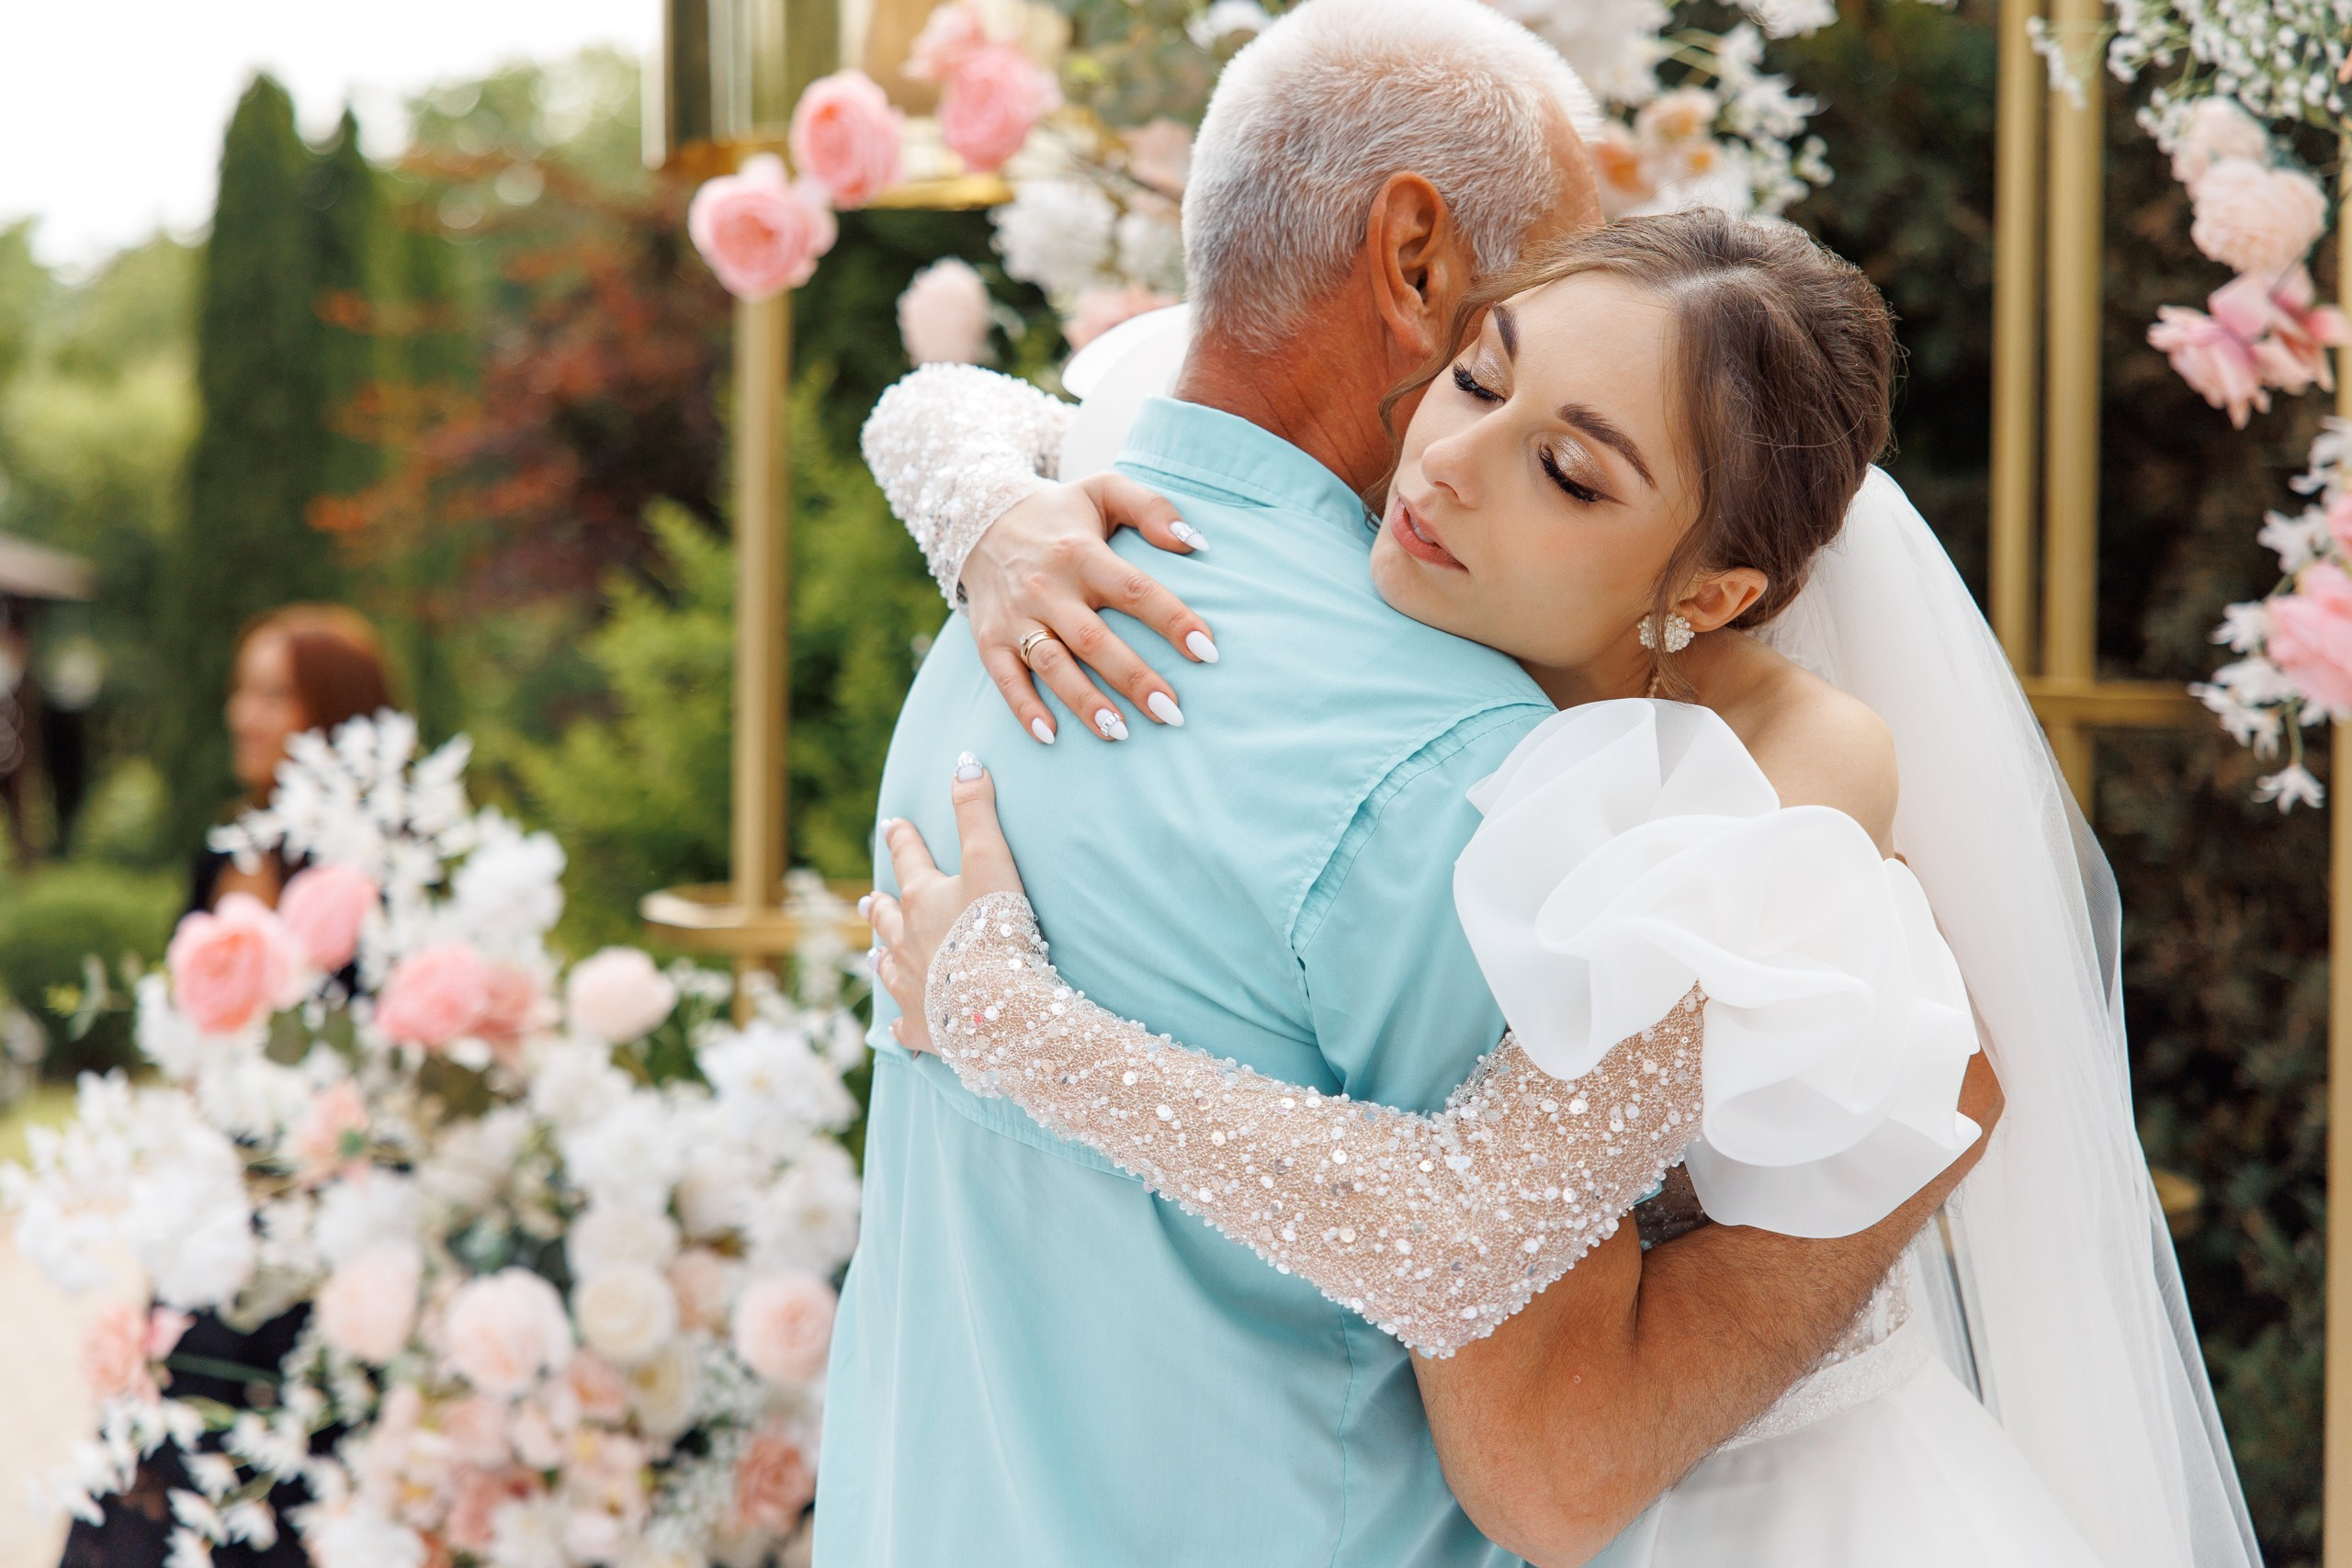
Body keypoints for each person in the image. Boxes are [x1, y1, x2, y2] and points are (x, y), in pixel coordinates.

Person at [867, 209, 2260, 1565]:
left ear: (1708, 597)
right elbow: (941, 403)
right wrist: (998, 524)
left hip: (1772, 1498)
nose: (1453, 461)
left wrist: (1010, 1023)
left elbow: (1471, 1226)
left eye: (1573, 473)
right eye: (1479, 369)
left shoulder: (1780, 779)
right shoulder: (1438, 531)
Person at [62, 604, 393, 1568]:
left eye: (272, 692)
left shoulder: (370, 873)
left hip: (313, 1226)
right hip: (211, 1207)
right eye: (242, 689)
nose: (243, 713)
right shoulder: (224, 852)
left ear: (331, 711)